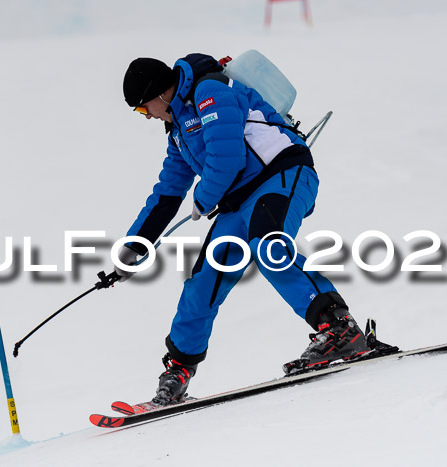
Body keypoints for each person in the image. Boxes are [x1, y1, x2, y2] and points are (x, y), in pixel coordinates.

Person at [115, 53, 372, 405]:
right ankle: (178, 369)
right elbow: (167, 193)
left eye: (144, 109)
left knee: (268, 245)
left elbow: (228, 157)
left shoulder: (210, 91)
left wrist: (204, 199)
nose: (147, 117)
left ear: (159, 94)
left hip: (282, 174)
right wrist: (134, 246)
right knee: (204, 278)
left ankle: (339, 328)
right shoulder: (177, 132)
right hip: (239, 200)